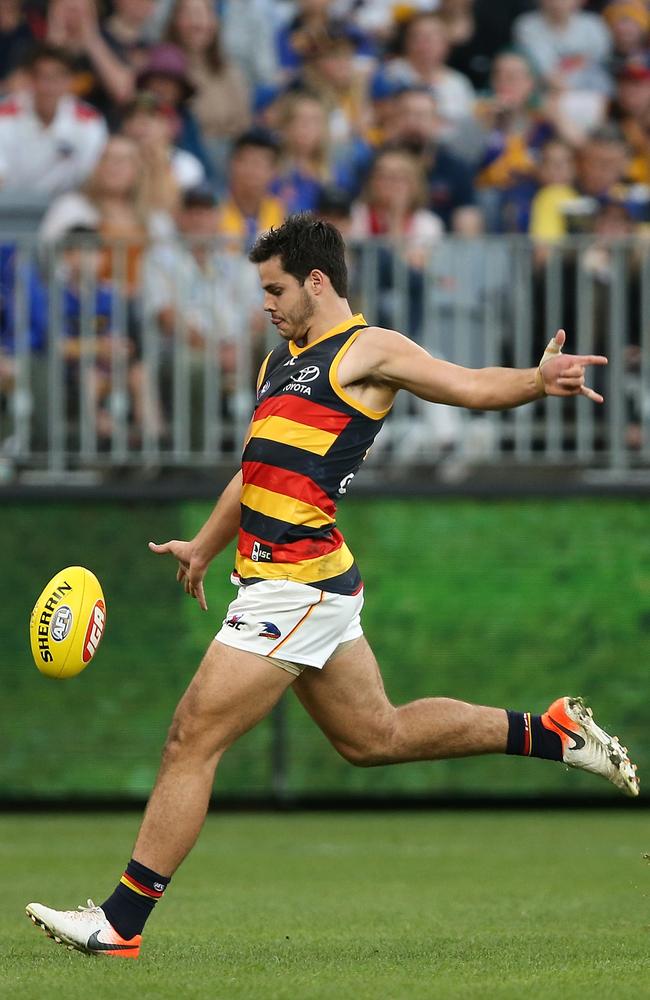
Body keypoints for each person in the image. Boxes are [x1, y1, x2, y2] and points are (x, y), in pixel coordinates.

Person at [26, 212, 639, 960]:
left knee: (191, 736)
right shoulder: (278, 361)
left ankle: (119, 923)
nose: (267, 303)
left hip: (297, 585)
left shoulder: (367, 348)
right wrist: (205, 547)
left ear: (318, 282)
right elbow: (254, 470)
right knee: (373, 736)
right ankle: (549, 733)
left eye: (276, 288)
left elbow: (468, 385)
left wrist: (536, 382)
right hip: (294, 582)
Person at [0, 43, 107, 197]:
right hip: (7, 205)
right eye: (43, 77)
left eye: (58, 77)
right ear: (29, 79)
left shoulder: (88, 120)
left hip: (66, 207)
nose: (49, 86)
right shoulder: (3, 114)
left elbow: (91, 176)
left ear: (70, 80)